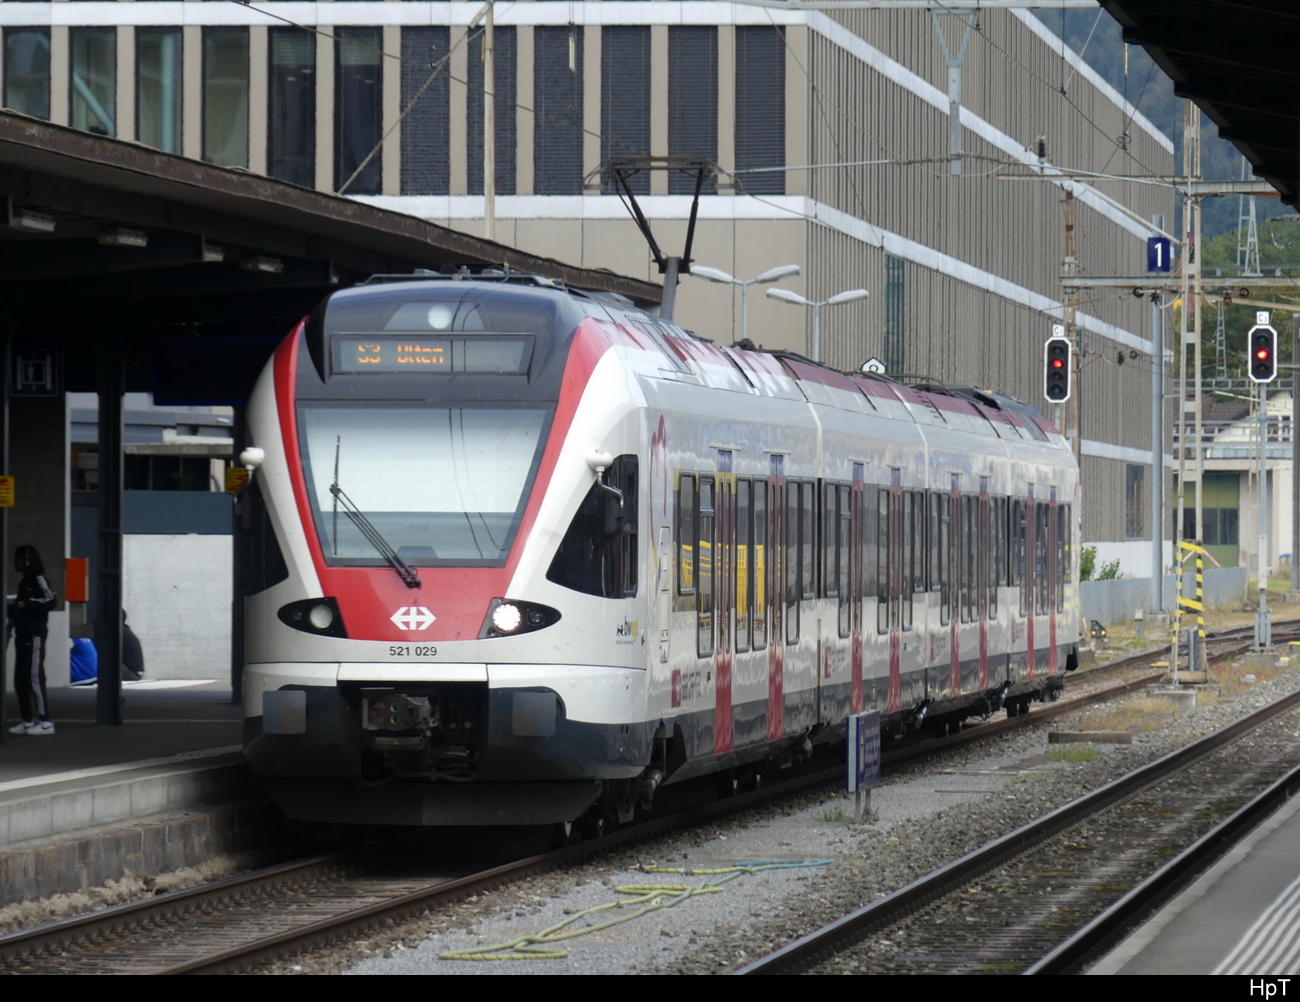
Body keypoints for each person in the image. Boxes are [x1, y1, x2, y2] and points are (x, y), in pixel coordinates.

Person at [9, 545, 56, 735]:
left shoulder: (39, 580)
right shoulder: (24, 583)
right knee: (20, 678)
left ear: (27, 561)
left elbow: (51, 601)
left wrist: (28, 604)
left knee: (34, 676)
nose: (16, 562)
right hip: (22, 634)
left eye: (19, 559)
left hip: (35, 635)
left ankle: (45, 722)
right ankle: (27, 719)